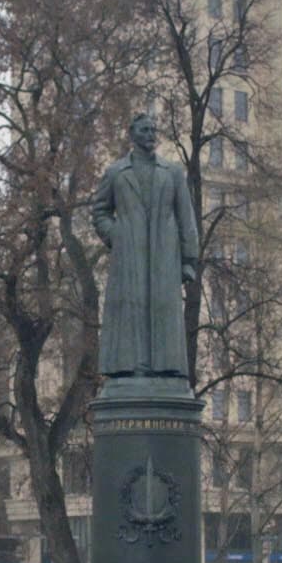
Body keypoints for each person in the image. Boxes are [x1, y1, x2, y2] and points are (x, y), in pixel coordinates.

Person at [92, 113, 198, 380]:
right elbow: (100, 211)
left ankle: (165, 368)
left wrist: (188, 260)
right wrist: (117, 236)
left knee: (163, 308)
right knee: (132, 307)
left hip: (165, 254)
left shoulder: (172, 172)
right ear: (132, 133)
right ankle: (132, 367)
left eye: (153, 130)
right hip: (129, 254)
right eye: (144, 130)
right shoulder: (116, 172)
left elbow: (186, 217)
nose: (151, 134)